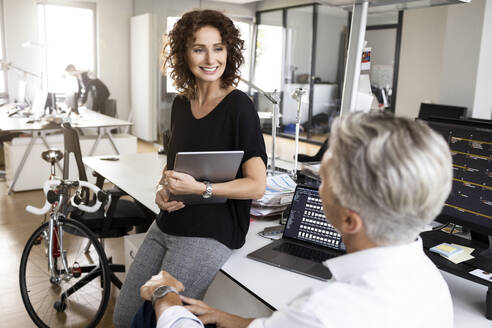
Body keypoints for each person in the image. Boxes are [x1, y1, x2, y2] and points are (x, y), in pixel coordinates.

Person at [137, 112, 454, 328]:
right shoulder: (429, 281)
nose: (316, 186)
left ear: (349, 219)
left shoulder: (327, 311)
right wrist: (236, 320)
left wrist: (166, 297)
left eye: (323, 179)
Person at [113, 9, 267, 327]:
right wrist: (163, 191)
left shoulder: (239, 106)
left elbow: (256, 185)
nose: (210, 58)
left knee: (158, 321)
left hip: (210, 232)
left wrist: (201, 189)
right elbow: (174, 169)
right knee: (124, 316)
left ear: (229, 51)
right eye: (199, 48)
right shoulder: (181, 104)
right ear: (185, 54)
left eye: (218, 48)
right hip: (169, 221)